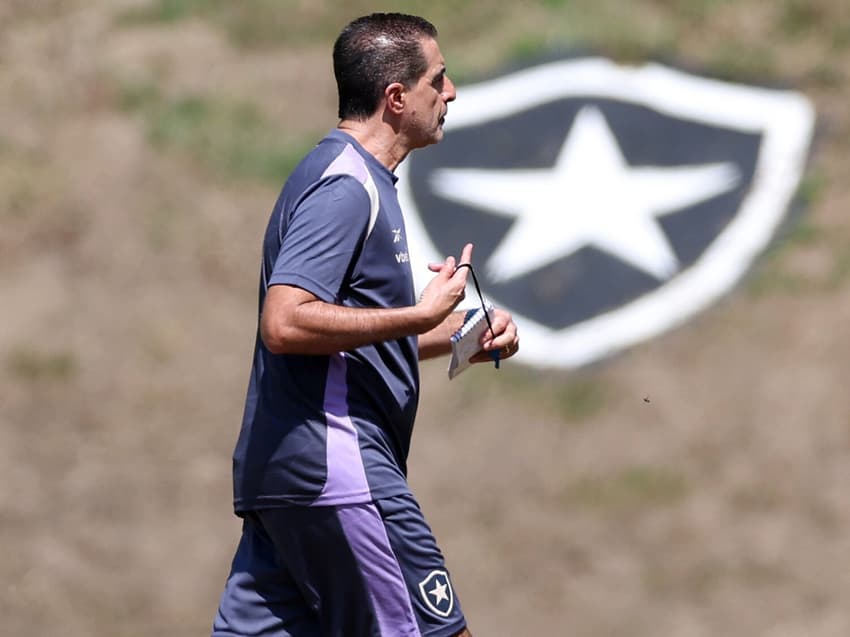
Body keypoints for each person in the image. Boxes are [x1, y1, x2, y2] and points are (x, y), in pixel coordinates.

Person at [212, 12, 519, 637]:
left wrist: (460, 334)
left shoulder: (354, 178)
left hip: (286, 478)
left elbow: (351, 340)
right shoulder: (348, 187)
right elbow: (286, 320)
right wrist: (420, 311)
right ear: (397, 97)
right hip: (339, 472)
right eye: (439, 78)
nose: (452, 91)